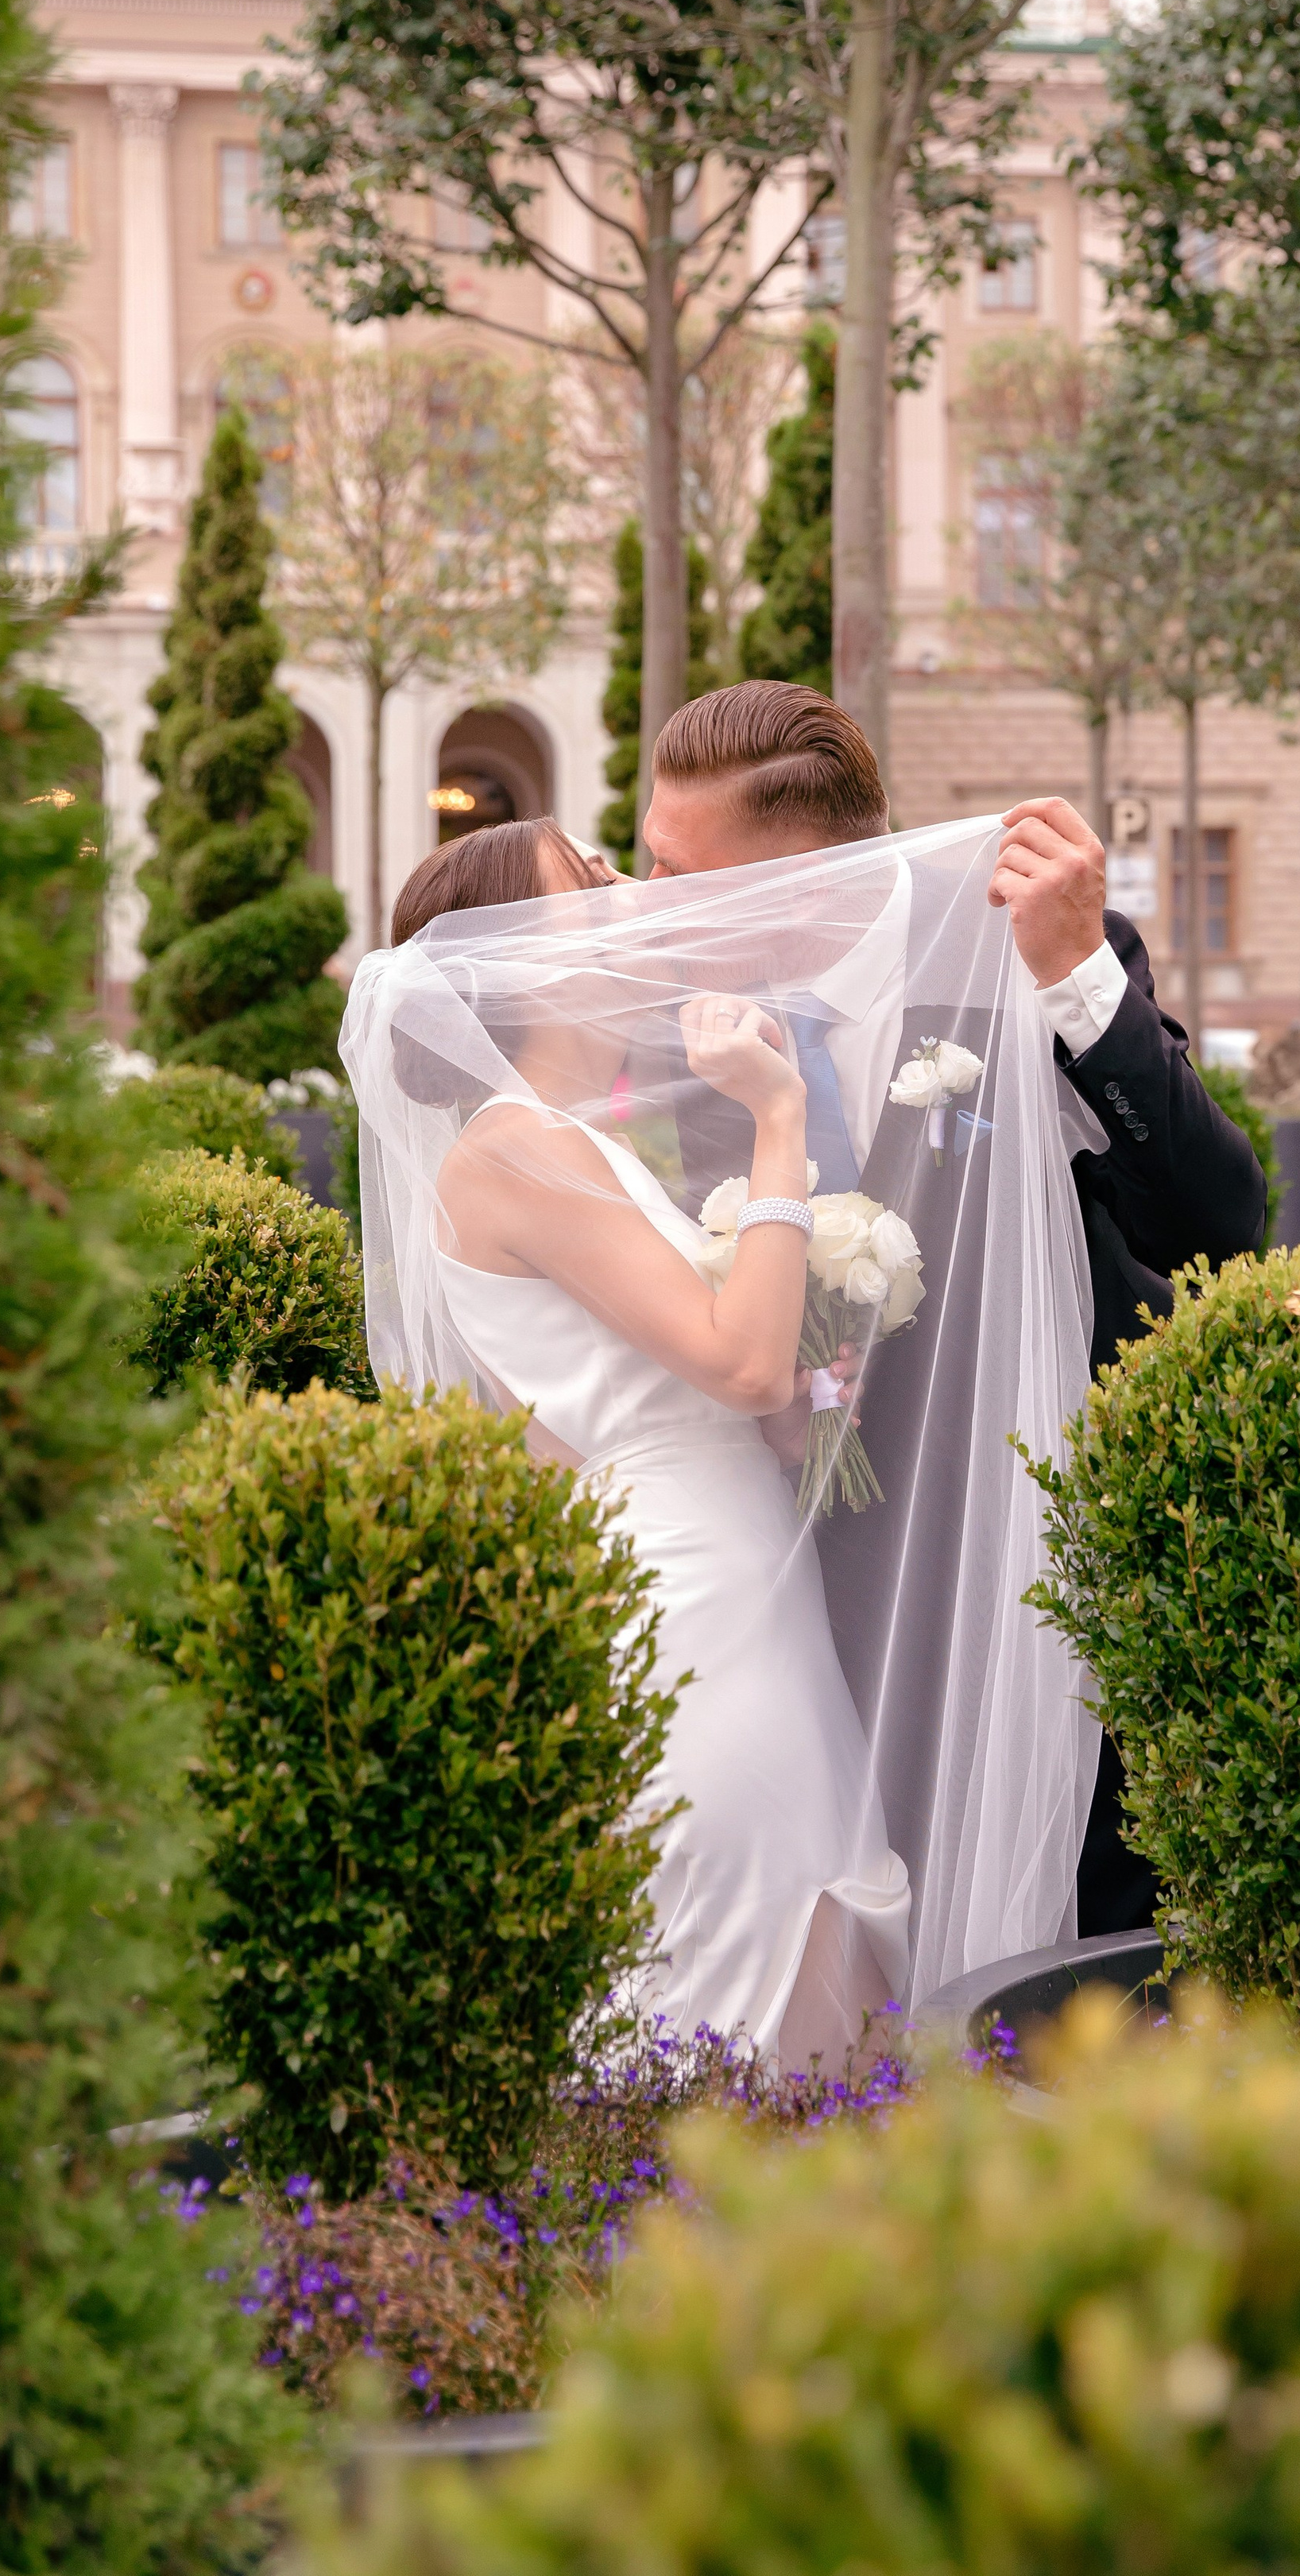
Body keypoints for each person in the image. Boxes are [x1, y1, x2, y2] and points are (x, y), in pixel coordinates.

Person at [640, 683, 1269, 1938]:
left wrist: (1083, 979)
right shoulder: (682, 1038)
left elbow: (1215, 1226)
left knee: (1062, 1931)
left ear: (807, 889)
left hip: (1046, 1569)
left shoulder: (1024, 952)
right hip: (807, 1588)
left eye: (682, 881)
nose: (648, 912)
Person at [356, 813, 911, 2070]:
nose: (627, 888)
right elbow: (736, 1358)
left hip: (742, 1583)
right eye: (592, 878)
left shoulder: (583, 1143)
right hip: (694, 1615)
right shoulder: (516, 1152)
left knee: (806, 1926)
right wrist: (778, 1121)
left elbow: (730, 1396)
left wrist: (801, 1398)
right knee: (727, 1974)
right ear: (521, 959)